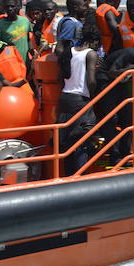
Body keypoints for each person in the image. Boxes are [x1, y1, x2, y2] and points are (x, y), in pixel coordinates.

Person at [57, 24, 100, 173]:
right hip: (80, 100)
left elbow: (60, 77)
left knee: (67, 141)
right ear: (94, 42)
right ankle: (80, 176)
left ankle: (68, 175)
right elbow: (91, 81)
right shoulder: (91, 54)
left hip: (65, 97)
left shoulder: (70, 51)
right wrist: (94, 95)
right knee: (82, 141)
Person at [0, 0, 33, 71]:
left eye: (12, 6)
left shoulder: (25, 21)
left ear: (17, 7)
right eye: (7, 6)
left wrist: (32, 54)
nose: (10, 9)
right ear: (4, 8)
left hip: (26, 61)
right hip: (10, 63)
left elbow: (29, 39)